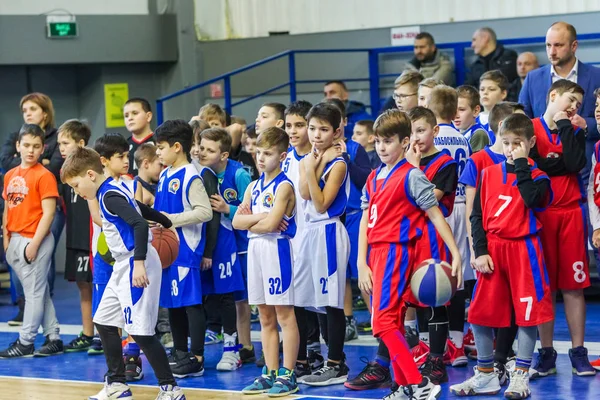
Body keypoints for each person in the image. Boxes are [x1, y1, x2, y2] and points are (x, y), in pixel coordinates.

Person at [60, 146, 186, 400]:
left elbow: (138, 223)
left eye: (76, 185)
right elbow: (139, 208)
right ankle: (116, 384)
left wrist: (139, 262)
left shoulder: (107, 197)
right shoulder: (114, 190)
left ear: (90, 175)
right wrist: (165, 221)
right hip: (123, 264)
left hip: (134, 262)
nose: (76, 192)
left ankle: (170, 389)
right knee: (104, 321)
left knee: (140, 331)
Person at [358, 109, 461, 399]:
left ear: (404, 143)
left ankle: (418, 383)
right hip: (376, 253)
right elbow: (366, 221)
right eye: (378, 141)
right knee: (393, 321)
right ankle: (405, 387)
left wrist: (455, 253)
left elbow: (436, 214)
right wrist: (361, 261)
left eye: (388, 141)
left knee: (383, 322)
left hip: (396, 251)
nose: (381, 147)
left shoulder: (412, 175)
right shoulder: (373, 178)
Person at [450, 113, 553, 399]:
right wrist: (479, 251)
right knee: (481, 314)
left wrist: (521, 165)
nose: (510, 149)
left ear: (531, 142)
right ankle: (485, 375)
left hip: (524, 250)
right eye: (506, 143)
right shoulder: (487, 174)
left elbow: (534, 199)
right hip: (493, 249)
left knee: (527, 315)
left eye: (517, 143)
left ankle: (520, 375)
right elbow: (477, 216)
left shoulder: (539, 176)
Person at [528, 79, 596, 377]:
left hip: (570, 215)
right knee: (545, 287)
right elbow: (532, 166)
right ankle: (546, 352)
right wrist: (558, 163)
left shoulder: (575, 129)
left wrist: (566, 129)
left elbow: (573, 162)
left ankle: (579, 352)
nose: (573, 107)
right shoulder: (528, 127)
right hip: (541, 215)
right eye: (570, 100)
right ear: (553, 94)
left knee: (574, 286)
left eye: (578, 105)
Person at [233, 127, 300, 397]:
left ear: (282, 156)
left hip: (277, 250)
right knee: (264, 315)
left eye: (268, 153)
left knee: (284, 314)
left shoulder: (284, 186)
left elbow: (274, 224)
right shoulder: (252, 186)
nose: (261, 158)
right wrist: (263, 219)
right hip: (256, 250)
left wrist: (258, 220)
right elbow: (237, 222)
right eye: (258, 152)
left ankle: (288, 374)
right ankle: (269, 372)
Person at [295, 103, 351, 386]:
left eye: (324, 129)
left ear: (337, 131)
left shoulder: (339, 163)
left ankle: (336, 362)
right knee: (303, 299)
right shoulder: (316, 157)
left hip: (329, 232)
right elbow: (305, 192)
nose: (316, 135)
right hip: (310, 235)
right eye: (313, 128)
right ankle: (306, 359)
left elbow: (319, 203)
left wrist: (312, 166)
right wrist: (314, 163)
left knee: (332, 303)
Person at [154, 120, 214, 378]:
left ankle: (197, 358)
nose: (157, 152)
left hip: (186, 248)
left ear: (177, 147)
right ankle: (180, 353)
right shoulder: (165, 173)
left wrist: (170, 220)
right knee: (173, 305)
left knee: (190, 304)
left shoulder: (191, 175)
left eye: (161, 147)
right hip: (167, 248)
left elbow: (205, 212)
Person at [0, 124, 62, 358]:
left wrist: (34, 244)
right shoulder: (10, 175)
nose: (31, 150)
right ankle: (54, 337)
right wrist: (6, 238)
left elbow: (49, 213)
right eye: (26, 145)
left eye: (36, 146)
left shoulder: (44, 176)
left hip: (35, 239)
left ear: (42, 148)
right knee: (40, 291)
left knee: (33, 293)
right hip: (15, 238)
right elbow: (8, 207)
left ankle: (25, 342)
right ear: (18, 146)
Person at [518, 21, 600, 184]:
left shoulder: (597, 76)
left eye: (558, 45)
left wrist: (586, 125)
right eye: (548, 45)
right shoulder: (533, 78)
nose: (551, 51)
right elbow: (522, 120)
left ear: (574, 46)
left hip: (586, 164)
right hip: (542, 170)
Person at [281, 100, 326, 380]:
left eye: (300, 125)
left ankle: (321, 351)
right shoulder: (287, 157)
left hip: (316, 232)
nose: (294, 131)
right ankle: (302, 353)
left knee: (319, 300)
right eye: (289, 126)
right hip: (291, 235)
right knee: (297, 299)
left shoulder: (319, 155)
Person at [198, 128, 249, 371]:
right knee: (213, 296)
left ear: (224, 155)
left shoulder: (238, 174)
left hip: (241, 245)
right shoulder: (199, 173)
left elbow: (253, 210)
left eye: (210, 150)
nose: (203, 153)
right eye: (202, 147)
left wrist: (227, 208)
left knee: (240, 299)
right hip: (211, 243)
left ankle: (241, 347)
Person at [57, 120, 96, 353]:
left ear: (81, 144)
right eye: (59, 143)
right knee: (83, 285)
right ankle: (88, 333)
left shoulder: (92, 172)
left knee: (99, 285)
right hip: (76, 238)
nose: (61, 148)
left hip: (93, 239)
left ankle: (105, 333)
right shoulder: (63, 175)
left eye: (65, 143)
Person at [133, 143, 173, 349]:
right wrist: (154, 220)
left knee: (162, 288)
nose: (163, 167)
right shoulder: (137, 185)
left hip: (161, 244)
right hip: (147, 245)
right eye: (159, 163)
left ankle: (164, 329)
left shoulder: (161, 182)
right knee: (151, 291)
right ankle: (154, 330)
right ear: (147, 163)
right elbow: (138, 216)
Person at [586, 87, 600, 371]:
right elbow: (592, 188)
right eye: (597, 104)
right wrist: (597, 226)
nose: (598, 110)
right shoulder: (598, 147)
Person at [466, 27, 518, 100]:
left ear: (485, 38)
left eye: (474, 40)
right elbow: (469, 90)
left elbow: (508, 84)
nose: (472, 45)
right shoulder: (475, 65)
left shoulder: (508, 56)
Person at [455, 85, 493, 152]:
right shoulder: (455, 132)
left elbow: (475, 162)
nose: (456, 115)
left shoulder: (478, 134)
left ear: (476, 111)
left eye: (461, 109)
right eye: (453, 110)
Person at [124, 97, 155, 177]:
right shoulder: (123, 146)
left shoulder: (160, 142)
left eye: (135, 113)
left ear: (148, 116)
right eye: (126, 116)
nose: (130, 118)